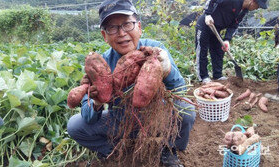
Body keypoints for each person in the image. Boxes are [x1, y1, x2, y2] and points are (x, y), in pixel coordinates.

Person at [67, 0, 196, 166]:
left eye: (127, 24)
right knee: (75, 126)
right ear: (104, 36)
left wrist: (168, 70)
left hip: (157, 120)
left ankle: (169, 149)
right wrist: (97, 101)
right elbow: (88, 118)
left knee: (187, 111)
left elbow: (181, 91)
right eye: (112, 28)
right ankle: (116, 149)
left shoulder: (156, 51)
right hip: (120, 122)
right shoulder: (100, 65)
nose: (121, 33)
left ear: (139, 27)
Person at [195, 0, 268, 84]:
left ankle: (217, 76)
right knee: (202, 51)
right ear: (252, 1)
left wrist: (227, 40)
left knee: (218, 51)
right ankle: (203, 77)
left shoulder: (243, 11)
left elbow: (234, 25)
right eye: (257, 5)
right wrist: (207, 14)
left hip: (216, 29)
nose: (256, 8)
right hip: (205, 24)